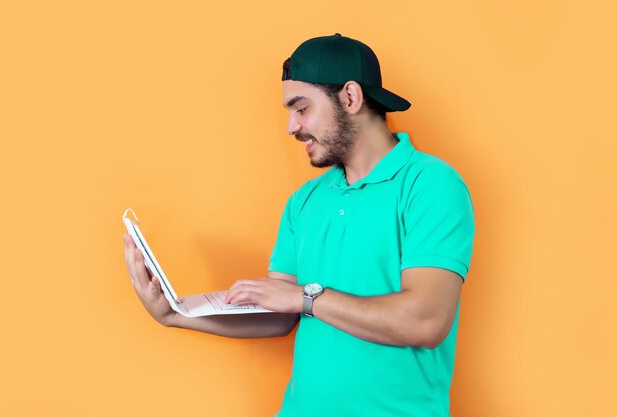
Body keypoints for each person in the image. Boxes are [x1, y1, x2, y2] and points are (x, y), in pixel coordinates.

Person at [124, 33, 475, 417]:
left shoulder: (430, 185)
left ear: (351, 97)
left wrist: (308, 298)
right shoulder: (305, 201)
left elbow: (425, 321)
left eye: (301, 108)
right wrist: (175, 313)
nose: (291, 127)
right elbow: (281, 312)